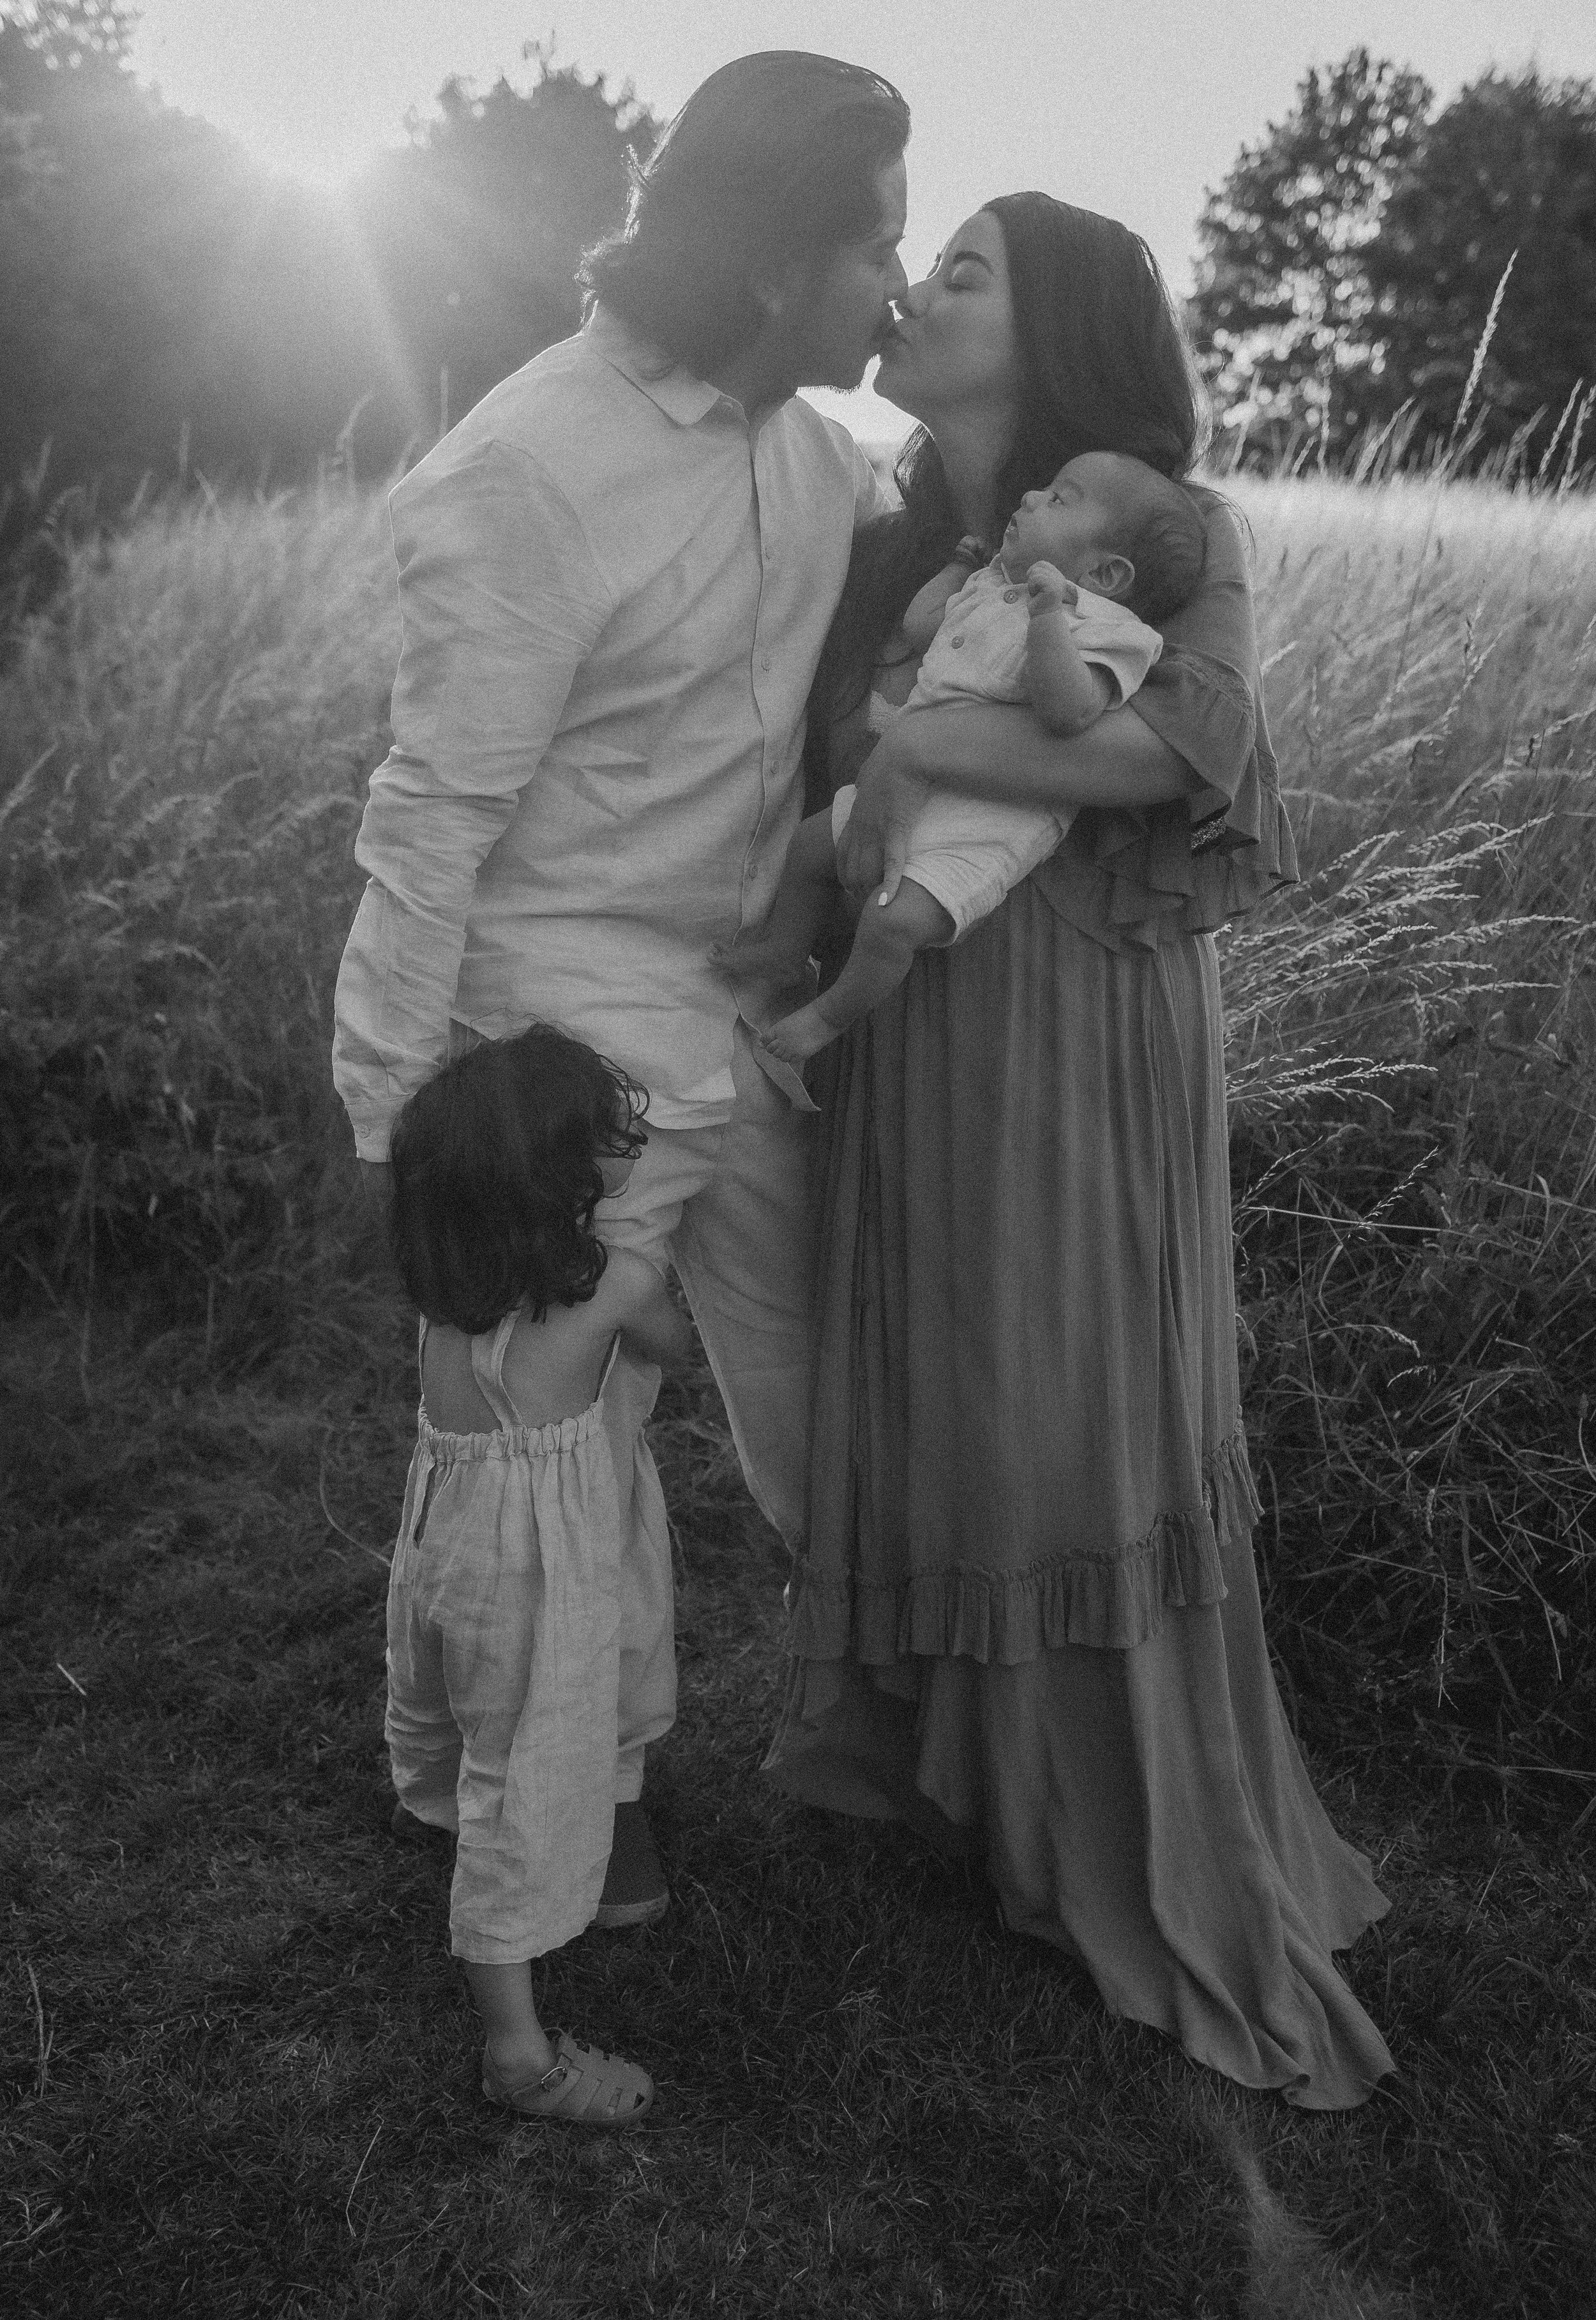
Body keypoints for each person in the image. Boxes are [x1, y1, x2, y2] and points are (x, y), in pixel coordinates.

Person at [762, 193, 1396, 2109]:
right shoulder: (880, 543)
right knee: (938, 1372)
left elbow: (1171, 758)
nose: (918, 285)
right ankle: (936, 1768)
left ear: (1055, 341)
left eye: (964, 269)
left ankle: (1105, 1826)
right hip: (910, 1007)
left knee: (1052, 1389)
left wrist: (929, 764)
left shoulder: (1153, 525)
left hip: (1065, 1015)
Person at [333, 54, 912, 1929]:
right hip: (561, 1047)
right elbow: (432, 814)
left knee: (842, 1394)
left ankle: (900, 1735)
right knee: (565, 1450)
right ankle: (596, 1785)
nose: (890, 293)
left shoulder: (821, 462)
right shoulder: (523, 467)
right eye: (872, 249)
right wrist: (394, 1113)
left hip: (747, 1018)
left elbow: (858, 713)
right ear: (763, 274)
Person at [384, 1023, 693, 2123]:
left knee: (480, 1720)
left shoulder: (448, 1285)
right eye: (612, 1129)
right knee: (528, 1767)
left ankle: (525, 1836)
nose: (633, 1133)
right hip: (545, 1563)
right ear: (567, 1177)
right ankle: (518, 2054)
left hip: (454, 1544)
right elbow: (676, 1345)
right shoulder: (616, 1281)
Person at [726, 452, 1204, 1074]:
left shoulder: (1111, 629)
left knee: (894, 924)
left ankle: (827, 1017)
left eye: (1060, 499)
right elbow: (923, 627)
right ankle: (785, 951)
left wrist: (1048, 618)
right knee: (810, 848)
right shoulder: (991, 586)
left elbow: (1069, 711)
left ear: (1107, 573)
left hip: (984, 821)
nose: (1031, 495)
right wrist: (960, 567)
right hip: (902, 789)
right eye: (1044, 485)